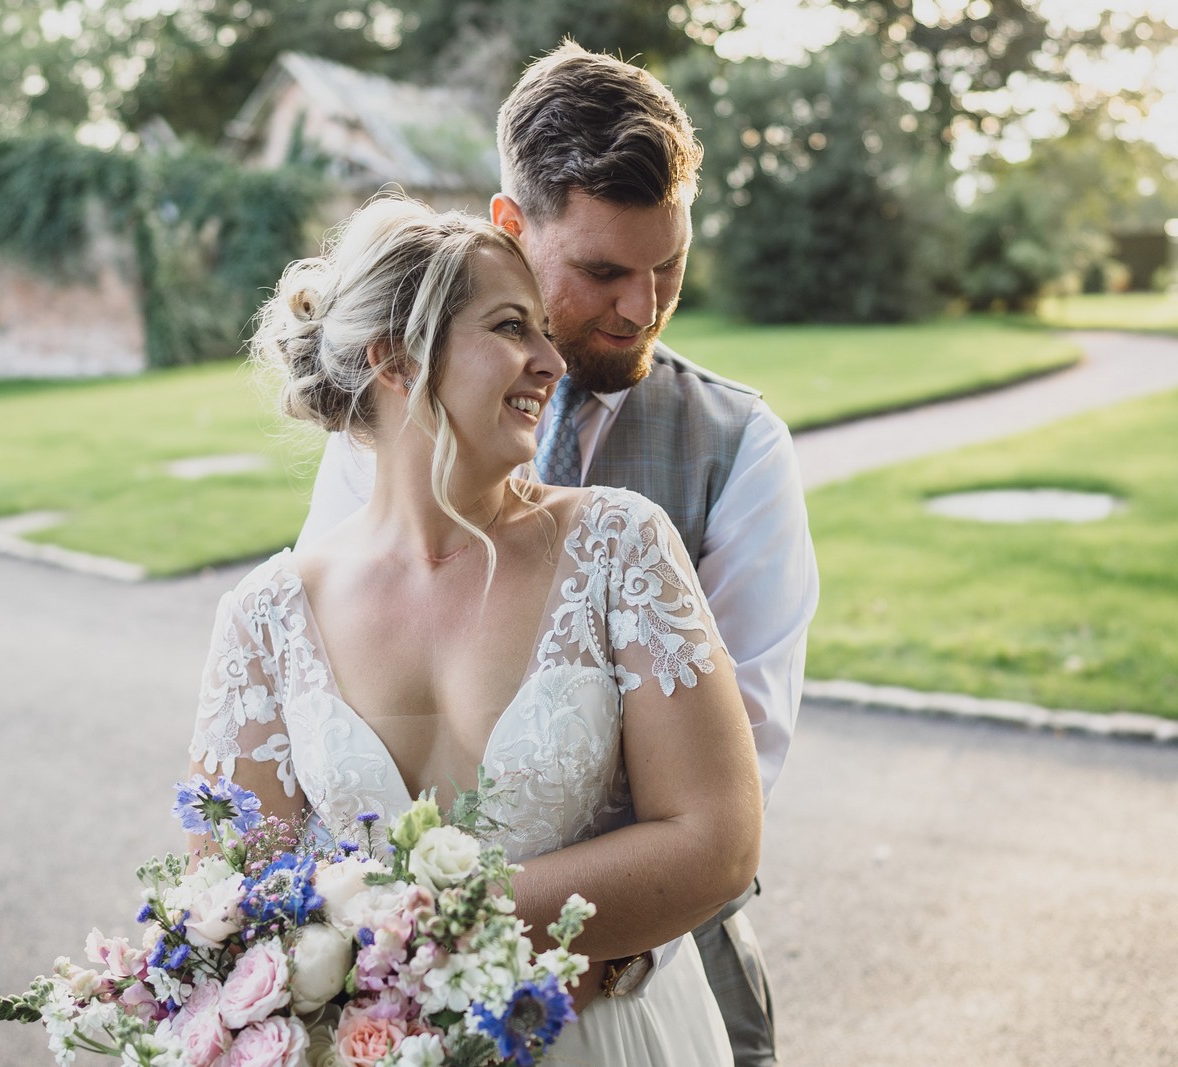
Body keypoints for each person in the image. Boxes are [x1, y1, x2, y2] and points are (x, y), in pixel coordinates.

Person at [296, 43, 820, 1067]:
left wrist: (594, 944)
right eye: (603, 272)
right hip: (404, 996)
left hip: (663, 960)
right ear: (511, 225)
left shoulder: (740, 448)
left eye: (668, 265)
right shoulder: (385, 434)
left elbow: (742, 754)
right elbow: (330, 698)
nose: (641, 306)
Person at [187, 197, 763, 1065]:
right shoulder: (266, 617)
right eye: (510, 327)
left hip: (601, 1037)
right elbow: (231, 908)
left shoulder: (620, 546)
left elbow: (716, 842)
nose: (551, 360)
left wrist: (404, 922)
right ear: (395, 358)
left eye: (543, 330)